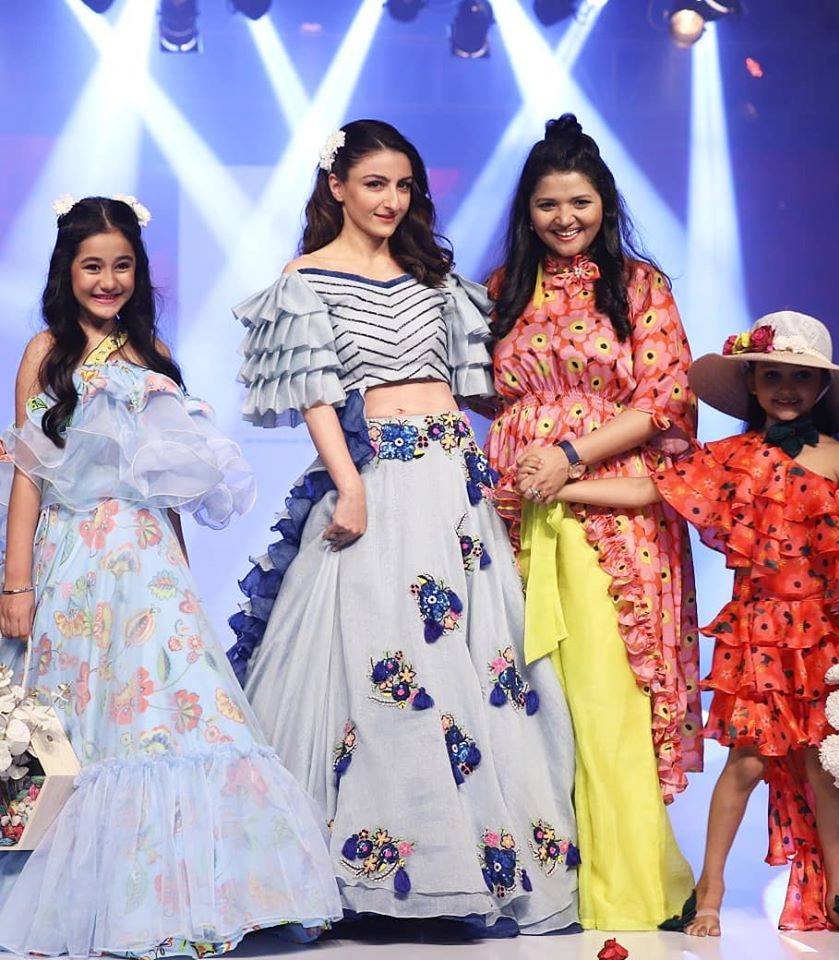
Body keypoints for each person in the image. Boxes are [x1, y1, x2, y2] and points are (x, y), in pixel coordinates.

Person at [227, 120, 579, 934]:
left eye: (403, 185)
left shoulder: (435, 278)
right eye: (374, 183)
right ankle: (356, 878)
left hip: (453, 481)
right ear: (337, 187)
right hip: (377, 477)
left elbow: (469, 389)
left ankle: (467, 868)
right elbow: (317, 396)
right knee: (382, 659)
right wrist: (349, 485)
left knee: (471, 665)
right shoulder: (306, 278)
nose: (391, 199)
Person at [0, 196, 342, 957]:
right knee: (84, 721)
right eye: (93, 266)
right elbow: (27, 474)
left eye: (122, 265)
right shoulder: (46, 351)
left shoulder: (151, 352)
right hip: (76, 560)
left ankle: (200, 895)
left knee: (185, 707)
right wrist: (15, 584)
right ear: (66, 270)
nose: (108, 280)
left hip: (150, 557)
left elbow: (170, 481)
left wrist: (182, 575)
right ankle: (98, 904)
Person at [553, 311, 839, 938]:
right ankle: (709, 892)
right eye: (773, 376)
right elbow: (650, 491)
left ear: (822, 387)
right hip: (757, 634)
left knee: (829, 764)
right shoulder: (730, 457)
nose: (787, 389)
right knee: (745, 762)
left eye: (801, 377)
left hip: (825, 638)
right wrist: (563, 488)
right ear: (752, 383)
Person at [483, 114, 700, 930]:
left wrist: (569, 456)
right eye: (547, 204)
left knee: (608, 699)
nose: (564, 218)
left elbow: (663, 399)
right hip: (517, 509)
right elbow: (485, 393)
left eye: (579, 201)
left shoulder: (639, 286)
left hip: (608, 513)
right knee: (531, 701)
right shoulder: (503, 288)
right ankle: (548, 891)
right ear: (527, 209)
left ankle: (630, 890)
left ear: (605, 202)